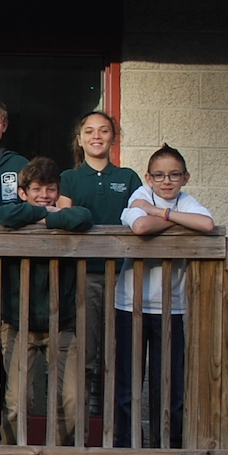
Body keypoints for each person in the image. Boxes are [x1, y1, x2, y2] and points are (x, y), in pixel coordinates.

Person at [114, 144, 215, 449]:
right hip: (130, 304)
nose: (167, 181)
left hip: (173, 307)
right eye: (159, 175)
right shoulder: (139, 196)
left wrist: (164, 213)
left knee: (170, 385)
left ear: (186, 177)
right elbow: (142, 226)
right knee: (129, 384)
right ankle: (128, 454)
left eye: (174, 175)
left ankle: (170, 452)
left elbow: (207, 224)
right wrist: (179, 220)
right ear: (149, 177)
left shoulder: (186, 201)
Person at [0, 158, 93, 446]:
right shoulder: (13, 212)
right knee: (17, 400)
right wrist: (44, 215)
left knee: (71, 397)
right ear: (23, 192)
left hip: (62, 322)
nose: (44, 195)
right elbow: (5, 216)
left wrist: (44, 219)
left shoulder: (68, 215)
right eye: (36, 189)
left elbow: (83, 217)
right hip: (17, 322)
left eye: (50, 189)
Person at [57, 110, 143, 426]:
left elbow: (140, 214)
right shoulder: (69, 178)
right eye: (89, 130)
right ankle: (82, 429)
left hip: (125, 276)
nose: (96, 136)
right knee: (86, 354)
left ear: (112, 137)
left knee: (119, 355)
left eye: (103, 130)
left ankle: (115, 428)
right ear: (79, 139)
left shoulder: (128, 177)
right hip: (85, 276)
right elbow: (63, 219)